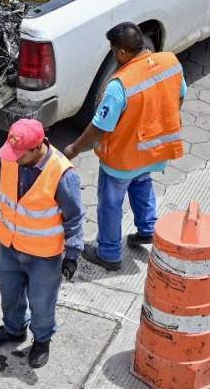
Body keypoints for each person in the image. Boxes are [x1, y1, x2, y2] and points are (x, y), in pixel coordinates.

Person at [0, 119, 84, 369]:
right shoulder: (11, 153)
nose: (11, 157)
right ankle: (14, 331)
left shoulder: (62, 174)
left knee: (41, 304)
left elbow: (75, 216)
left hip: (43, 257)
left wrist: (72, 254)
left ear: (36, 148)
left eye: (18, 154)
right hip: (10, 247)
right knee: (10, 296)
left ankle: (42, 340)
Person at [64, 22, 186, 271]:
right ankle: (147, 229)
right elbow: (180, 95)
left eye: (112, 50)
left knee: (110, 203)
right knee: (142, 183)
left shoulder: (119, 86)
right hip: (154, 150)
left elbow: (100, 127)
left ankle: (109, 253)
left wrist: (74, 149)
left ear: (121, 52)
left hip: (123, 158)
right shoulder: (169, 62)